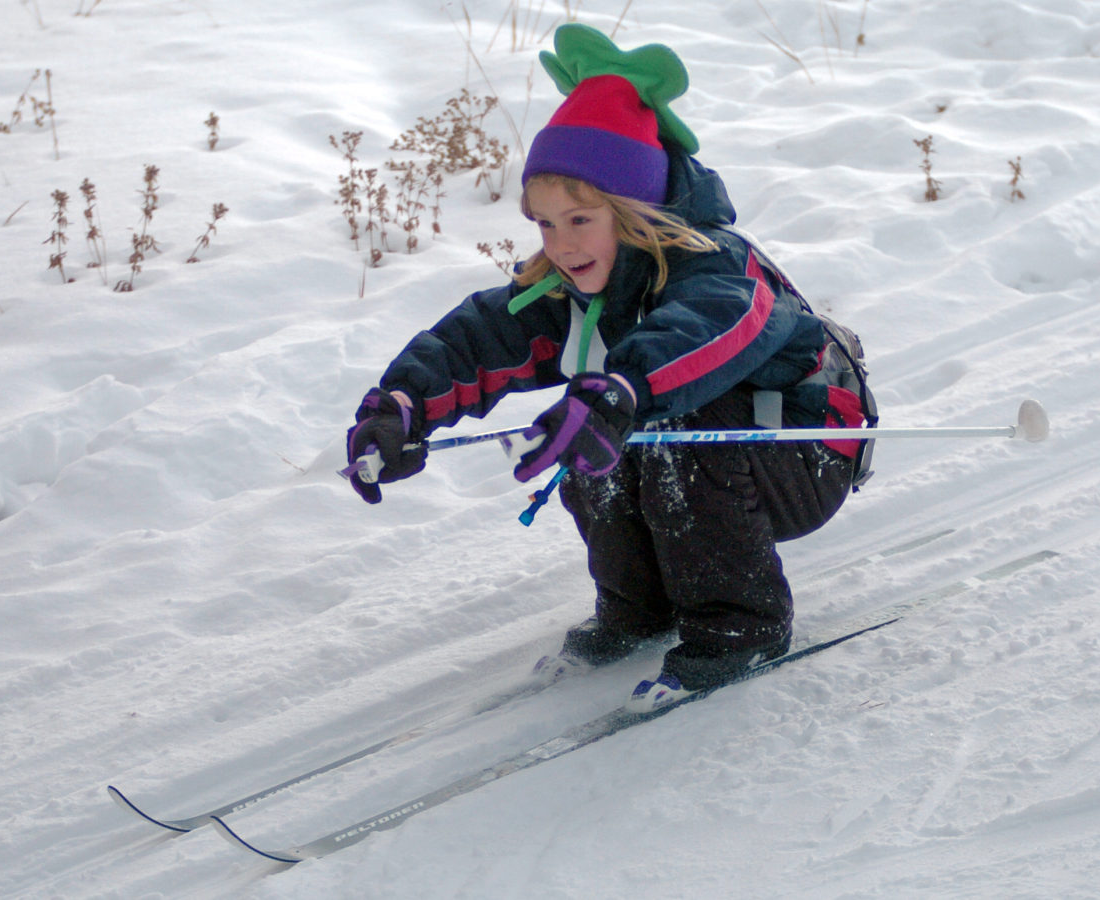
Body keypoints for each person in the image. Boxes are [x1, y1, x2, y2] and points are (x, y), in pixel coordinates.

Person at [345, 24, 876, 711]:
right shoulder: (573, 288)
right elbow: (478, 340)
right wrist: (400, 407)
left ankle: (740, 624)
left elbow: (702, 335)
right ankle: (640, 606)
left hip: (808, 450)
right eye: (544, 223)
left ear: (632, 211)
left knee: (654, 416)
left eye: (580, 219)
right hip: (731, 450)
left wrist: (620, 391)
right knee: (595, 427)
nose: (560, 244)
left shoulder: (719, 267)